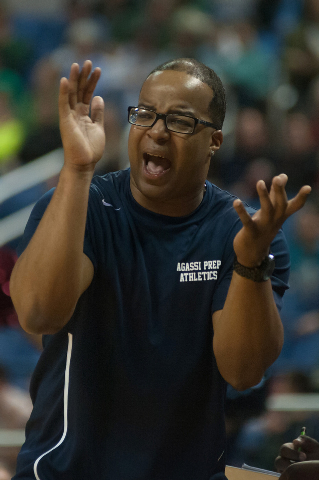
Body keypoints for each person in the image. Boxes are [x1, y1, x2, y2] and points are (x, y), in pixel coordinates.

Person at [9, 58, 311, 480]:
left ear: (215, 140)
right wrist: (77, 169)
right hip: (67, 471)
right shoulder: (83, 206)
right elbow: (39, 313)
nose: (156, 130)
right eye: (145, 113)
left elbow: (243, 372)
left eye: (181, 121)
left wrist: (251, 263)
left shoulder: (241, 233)